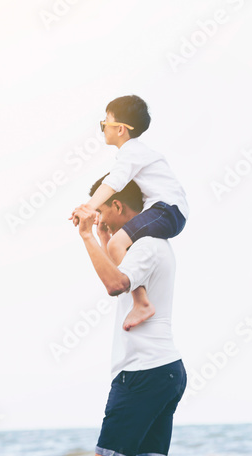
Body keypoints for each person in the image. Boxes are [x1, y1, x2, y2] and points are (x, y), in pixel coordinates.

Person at [72, 182, 232, 456]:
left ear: (118, 206)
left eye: (102, 210)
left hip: (144, 372)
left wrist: (87, 236)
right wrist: (104, 238)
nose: (98, 217)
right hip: (161, 369)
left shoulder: (146, 246)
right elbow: (120, 278)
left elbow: (114, 285)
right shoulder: (142, 246)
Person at [71, 95, 189, 332]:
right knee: (115, 244)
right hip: (167, 209)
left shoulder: (132, 151)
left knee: (117, 245)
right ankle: (140, 301)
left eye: (105, 123)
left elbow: (113, 182)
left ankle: (142, 303)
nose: (103, 128)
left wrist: (89, 206)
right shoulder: (136, 152)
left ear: (121, 129)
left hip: (167, 210)